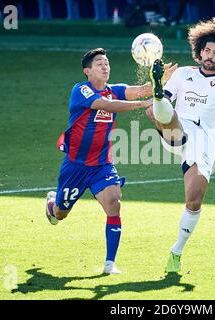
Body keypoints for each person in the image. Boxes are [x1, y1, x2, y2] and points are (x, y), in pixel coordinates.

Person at [45, 48, 175, 274]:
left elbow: (141, 90)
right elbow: (106, 105)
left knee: (114, 204)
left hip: (102, 165)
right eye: (99, 64)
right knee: (60, 214)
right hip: (75, 166)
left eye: (106, 63)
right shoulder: (81, 90)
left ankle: (109, 264)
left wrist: (161, 79)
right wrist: (142, 105)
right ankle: (52, 205)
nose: (105, 67)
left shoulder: (114, 90)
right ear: (87, 71)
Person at [146, 18, 215, 273]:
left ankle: (176, 252)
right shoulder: (183, 75)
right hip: (178, 128)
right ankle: (157, 91)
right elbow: (160, 108)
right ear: (199, 51)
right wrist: (157, 104)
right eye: (207, 51)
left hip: (204, 141)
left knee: (194, 200)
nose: (210, 56)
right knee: (161, 109)